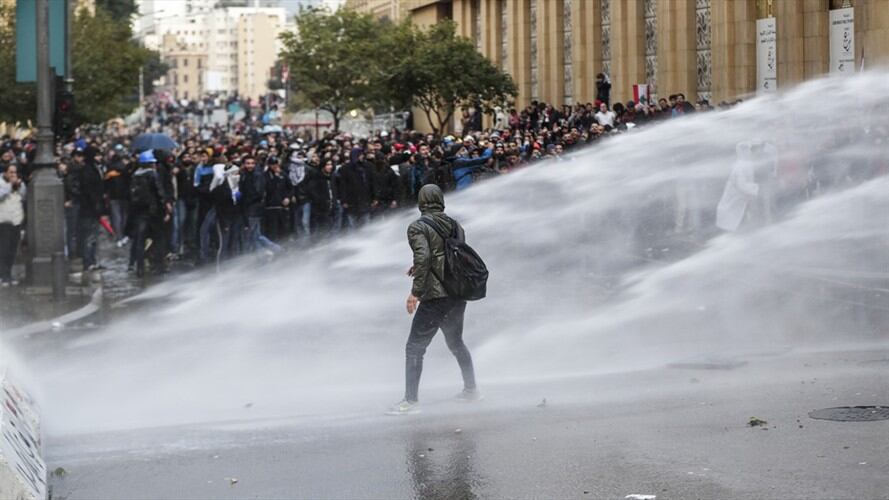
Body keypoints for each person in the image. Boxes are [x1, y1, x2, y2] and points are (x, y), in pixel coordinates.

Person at [389, 184, 480, 415]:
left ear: (421, 201)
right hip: (457, 293)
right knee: (456, 342)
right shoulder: (455, 225)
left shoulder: (417, 226)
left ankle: (410, 402)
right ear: (441, 200)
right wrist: (418, 267)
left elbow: (425, 256)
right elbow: (448, 254)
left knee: (414, 347)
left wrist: (415, 293)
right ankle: (471, 391)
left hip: (435, 296)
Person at [128, 150, 170, 277]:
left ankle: (139, 268)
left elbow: (131, 195)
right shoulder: (153, 175)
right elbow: (159, 193)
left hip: (140, 213)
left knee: (140, 240)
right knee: (158, 238)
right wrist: (165, 209)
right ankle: (159, 266)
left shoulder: (135, 175)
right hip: (154, 212)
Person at [0, 165, 26, 286]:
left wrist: (19, 186)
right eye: (10, 172)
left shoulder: (19, 184)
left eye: (15, 172)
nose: (13, 175)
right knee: (3, 249)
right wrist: (10, 186)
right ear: (5, 173)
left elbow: (24, 197)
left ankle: (8, 274)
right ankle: (3, 275)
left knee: (12, 250)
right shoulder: (1, 183)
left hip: (16, 221)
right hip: (4, 221)